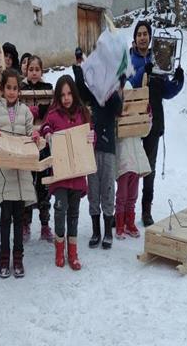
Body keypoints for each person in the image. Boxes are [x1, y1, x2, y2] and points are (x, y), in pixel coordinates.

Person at [0, 68, 37, 278]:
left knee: (19, 218)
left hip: (21, 174)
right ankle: (4, 259)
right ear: (2, 89)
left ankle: (18, 259)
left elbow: (32, 132)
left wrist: (35, 136)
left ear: (19, 90)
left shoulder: (25, 112)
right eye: (8, 88)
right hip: (4, 175)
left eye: (15, 88)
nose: (12, 92)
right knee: (5, 219)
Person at [128, 21, 184, 226]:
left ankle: (146, 210)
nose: (142, 37)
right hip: (132, 121)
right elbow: (127, 85)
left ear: (150, 37)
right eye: (139, 34)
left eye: (146, 34)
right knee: (130, 168)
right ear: (134, 38)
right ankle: (126, 211)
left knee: (149, 170)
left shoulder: (160, 58)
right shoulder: (129, 60)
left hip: (153, 122)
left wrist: (178, 81)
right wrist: (144, 70)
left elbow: (166, 92)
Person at [40, 75, 95, 270]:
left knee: (74, 213)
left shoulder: (82, 114)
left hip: (78, 174)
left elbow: (90, 138)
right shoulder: (54, 114)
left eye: (69, 93)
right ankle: (59, 249)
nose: (66, 98)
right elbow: (44, 126)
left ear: (74, 93)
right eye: (62, 94)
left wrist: (91, 136)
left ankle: (72, 253)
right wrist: (47, 132)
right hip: (61, 174)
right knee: (60, 210)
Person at [85, 77, 123, 250]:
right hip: (91, 150)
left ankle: (108, 230)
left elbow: (118, 109)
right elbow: (80, 86)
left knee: (108, 188)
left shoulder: (112, 99)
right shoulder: (91, 95)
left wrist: (116, 88)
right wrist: (79, 67)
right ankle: (96, 231)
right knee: (93, 190)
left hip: (107, 150)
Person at [21, 56, 54, 242]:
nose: (33, 72)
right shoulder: (21, 89)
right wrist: (29, 113)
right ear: (26, 71)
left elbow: (50, 112)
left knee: (43, 184)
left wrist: (40, 112)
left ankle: (45, 224)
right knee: (27, 183)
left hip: (43, 143)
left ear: (41, 71)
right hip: (26, 143)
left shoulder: (47, 89)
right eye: (31, 68)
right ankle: (25, 223)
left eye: (37, 69)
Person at [115, 81, 152, 239]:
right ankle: (119, 225)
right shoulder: (117, 116)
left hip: (136, 160)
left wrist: (148, 117)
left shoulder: (137, 115)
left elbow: (144, 133)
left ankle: (130, 223)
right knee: (122, 195)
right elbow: (115, 135)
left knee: (133, 195)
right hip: (124, 159)